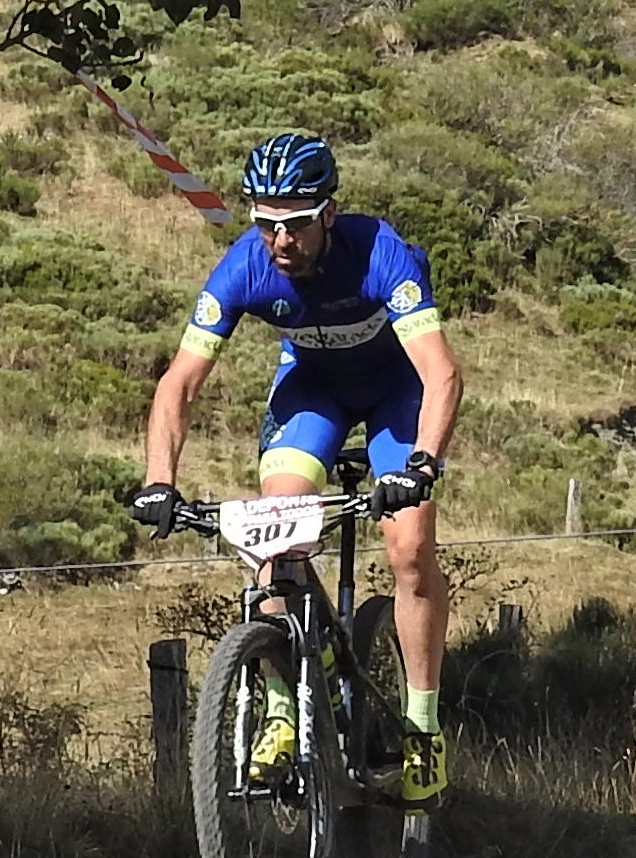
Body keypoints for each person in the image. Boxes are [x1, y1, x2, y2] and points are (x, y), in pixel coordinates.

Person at [131, 132, 464, 803]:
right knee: (273, 535)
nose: (279, 240)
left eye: (295, 224)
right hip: (313, 393)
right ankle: (283, 703)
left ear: (328, 215)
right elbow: (180, 384)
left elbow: (440, 373)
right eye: (264, 223)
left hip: (396, 392)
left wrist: (421, 464)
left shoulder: (380, 253)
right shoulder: (243, 268)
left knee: (407, 545)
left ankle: (422, 725)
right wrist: (158, 480)